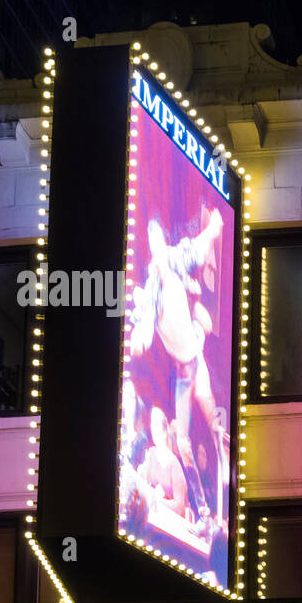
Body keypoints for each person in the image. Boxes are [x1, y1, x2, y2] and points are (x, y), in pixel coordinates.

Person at [130, 207, 228, 538]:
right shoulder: (151, 291)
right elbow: (142, 328)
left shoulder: (173, 259)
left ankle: (223, 504)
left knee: (214, 427)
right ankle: (203, 513)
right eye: (152, 244)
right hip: (184, 373)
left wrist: (213, 230)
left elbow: (194, 247)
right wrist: (138, 339)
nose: (157, 251)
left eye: (159, 242)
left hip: (197, 359)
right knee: (183, 442)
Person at [137, 407, 189, 517]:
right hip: (153, 514)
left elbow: (180, 508)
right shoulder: (151, 454)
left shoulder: (174, 463)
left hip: (172, 520)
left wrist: (155, 499)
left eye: (156, 423)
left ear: (164, 431)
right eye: (152, 423)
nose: (153, 427)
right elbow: (142, 486)